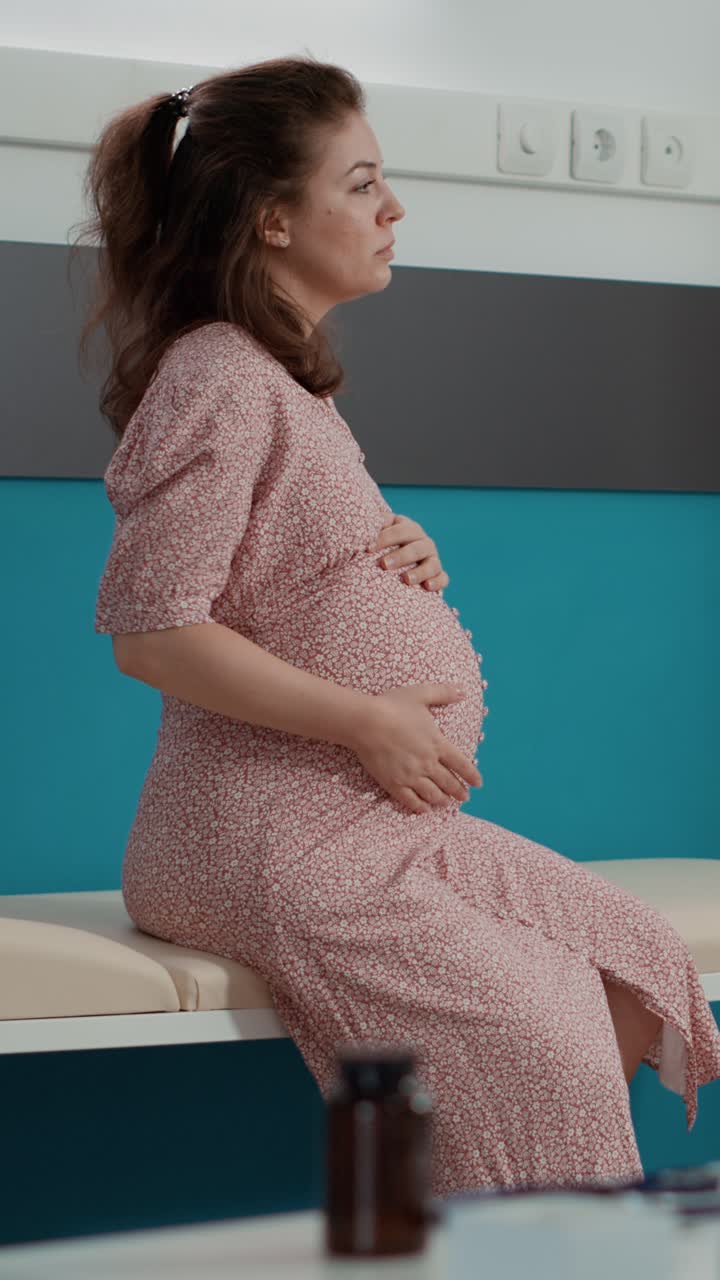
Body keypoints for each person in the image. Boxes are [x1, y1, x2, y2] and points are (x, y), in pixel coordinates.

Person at [83, 54, 720, 1195]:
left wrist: (389, 548)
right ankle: (542, 1246)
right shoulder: (219, 373)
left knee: (625, 965)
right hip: (266, 831)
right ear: (274, 219)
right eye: (364, 183)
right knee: (546, 1033)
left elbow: (266, 575)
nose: (395, 210)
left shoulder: (284, 381)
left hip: (357, 819)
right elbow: (153, 632)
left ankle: (519, 1229)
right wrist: (367, 717)